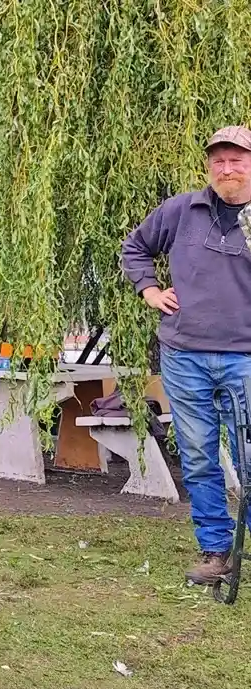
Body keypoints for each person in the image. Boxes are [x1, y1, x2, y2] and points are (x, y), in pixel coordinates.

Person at [121, 125, 251, 585]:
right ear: (208, 166)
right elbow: (134, 248)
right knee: (198, 457)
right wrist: (150, 290)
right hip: (184, 353)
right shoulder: (183, 209)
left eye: (237, 160)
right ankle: (216, 552)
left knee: (249, 454)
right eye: (219, 160)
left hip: (245, 357)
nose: (227, 168)